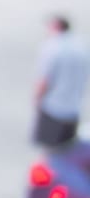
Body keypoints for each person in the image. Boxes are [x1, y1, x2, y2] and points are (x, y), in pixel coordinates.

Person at [36, 15, 89, 148]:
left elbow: (45, 79)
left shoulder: (53, 47)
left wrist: (37, 99)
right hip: (74, 108)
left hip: (54, 107)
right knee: (66, 149)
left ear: (56, 27)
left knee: (49, 151)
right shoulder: (81, 46)